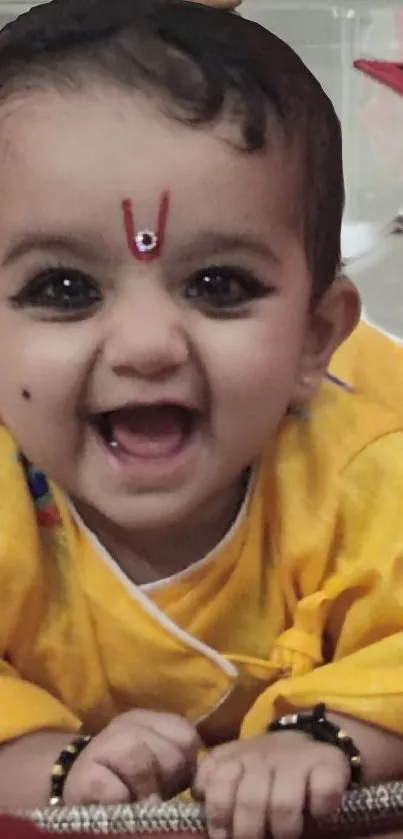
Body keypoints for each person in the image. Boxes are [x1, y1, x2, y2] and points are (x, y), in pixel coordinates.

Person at [0, 1, 403, 837]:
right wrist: (52, 760)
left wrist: (328, 737)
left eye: (218, 285)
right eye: (63, 289)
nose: (148, 346)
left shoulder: (364, 474)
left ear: (315, 337)